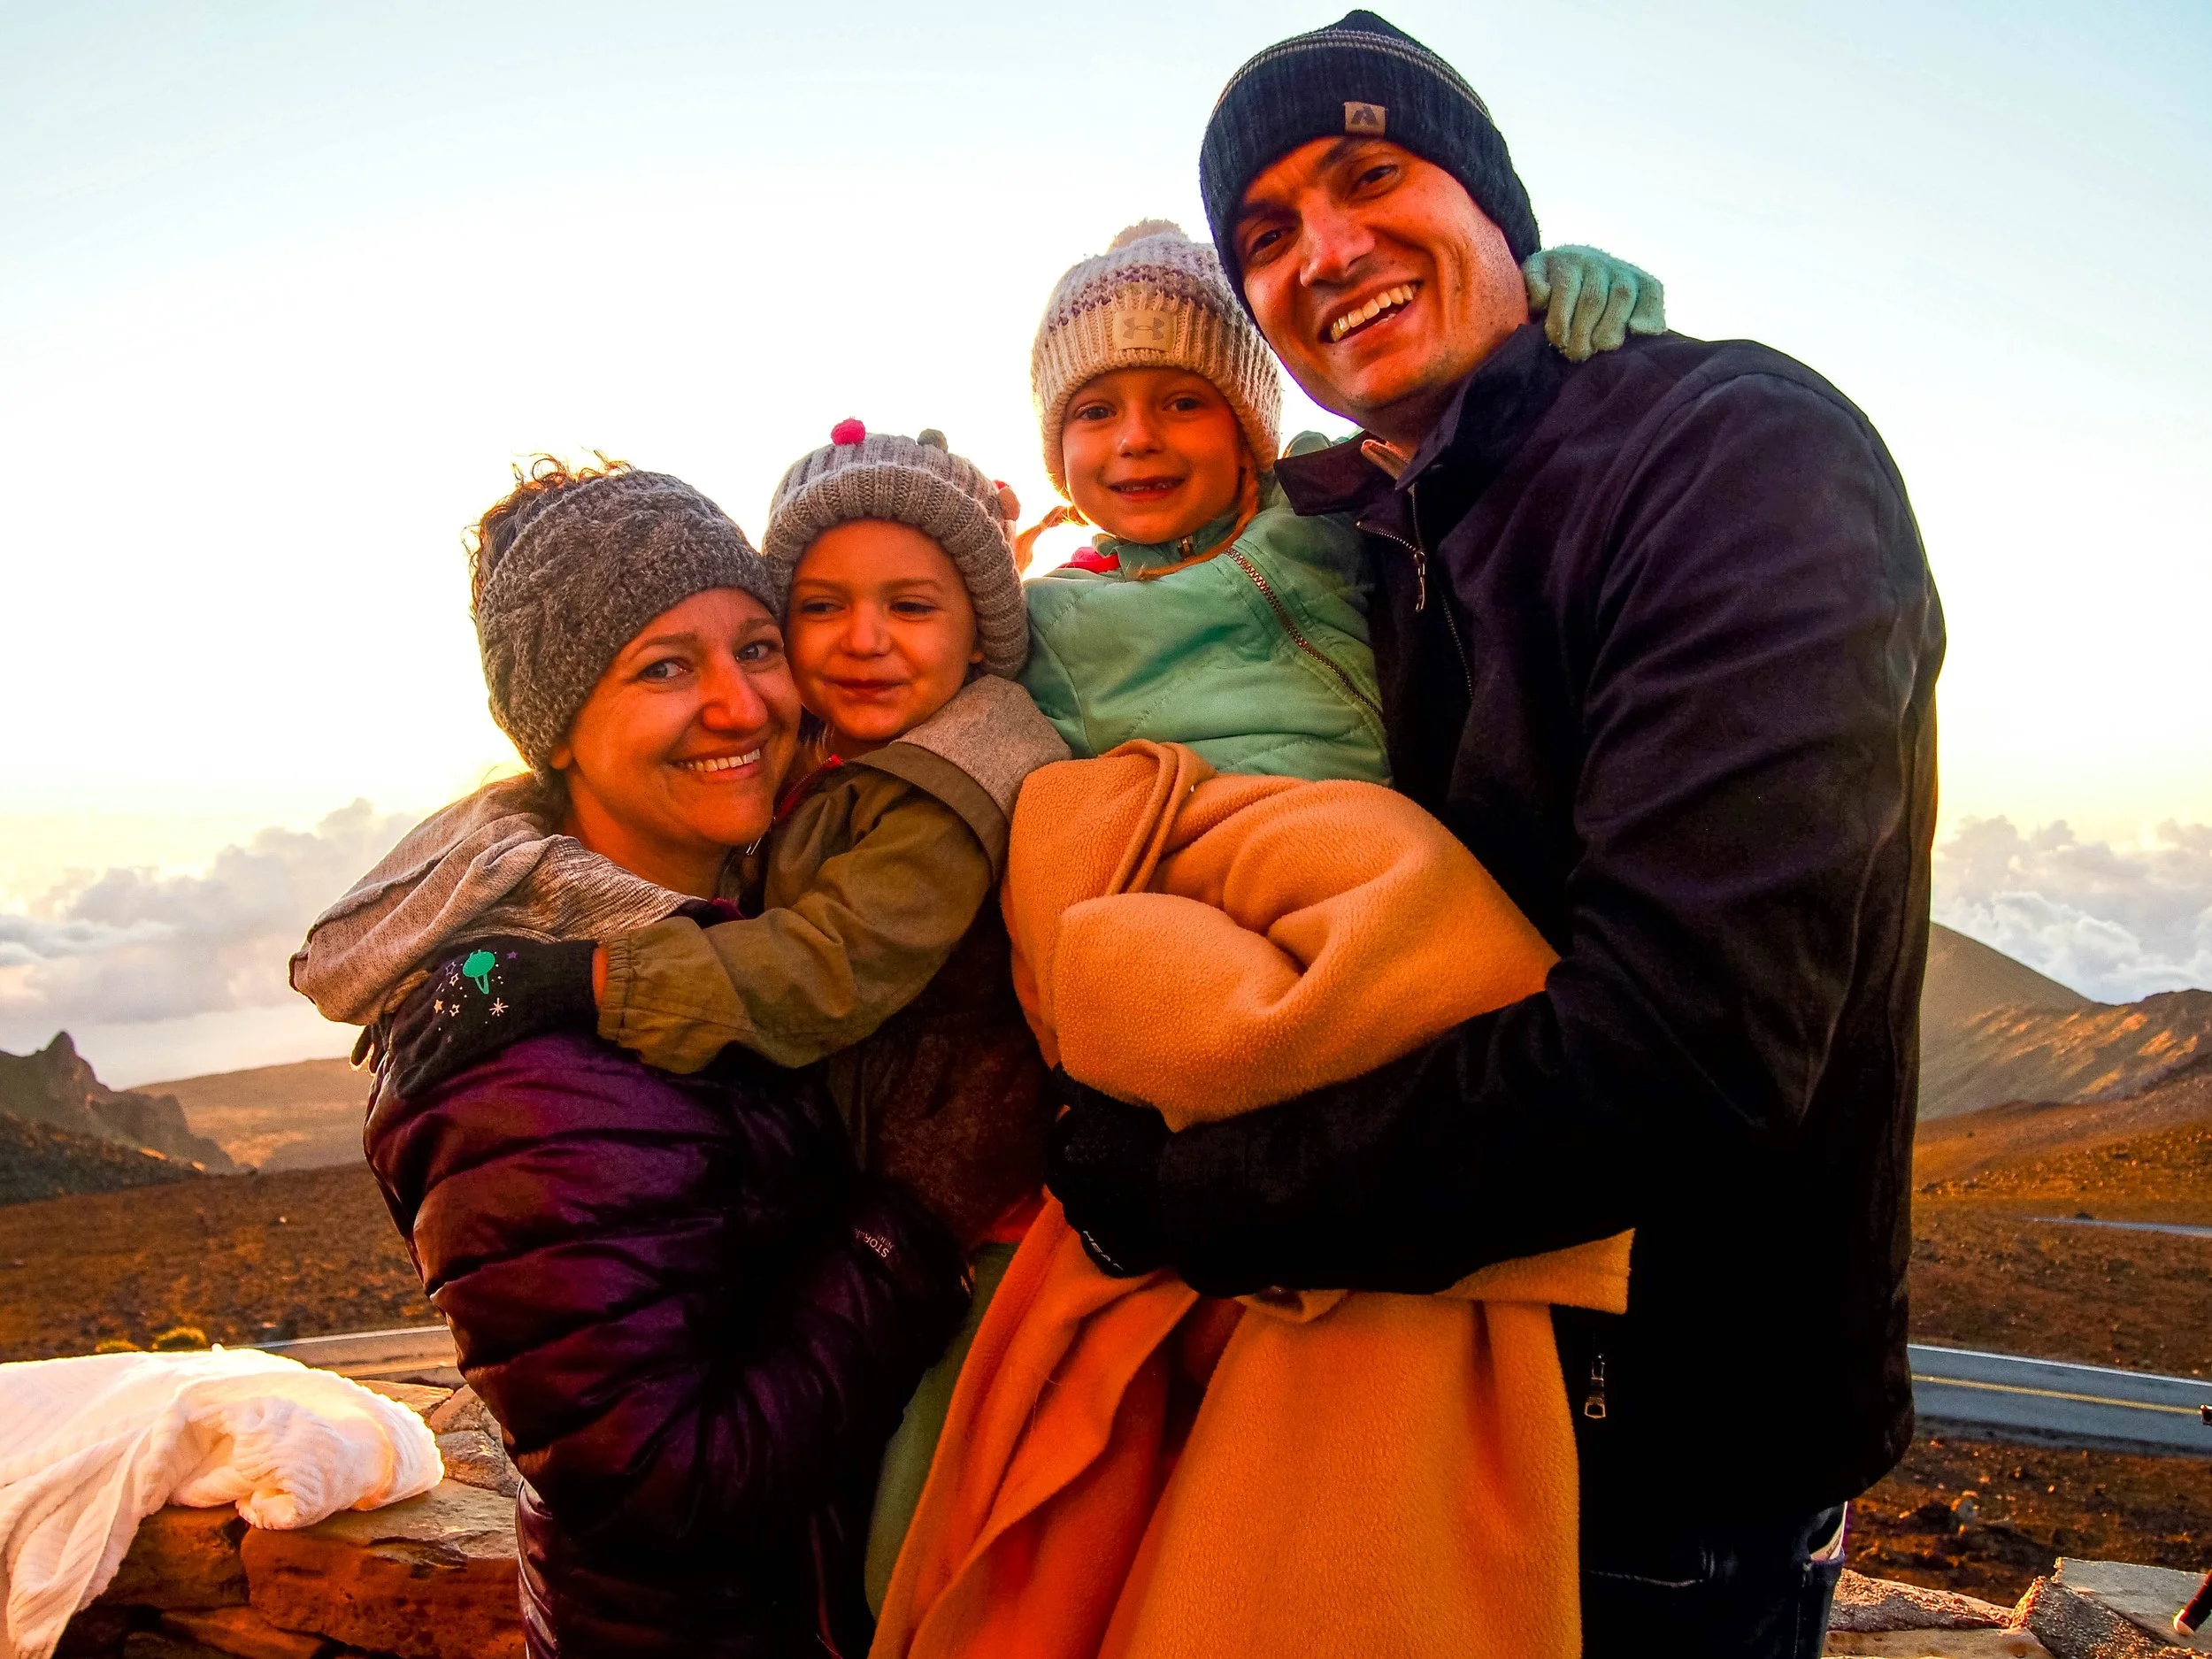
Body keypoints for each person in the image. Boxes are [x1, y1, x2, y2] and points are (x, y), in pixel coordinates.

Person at [1042, 12, 1946, 1657]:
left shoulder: (1733, 457)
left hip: (1663, 1463)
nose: (1327, 248)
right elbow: (1153, 525)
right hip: (1402, 1382)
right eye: (1267, 232)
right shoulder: (1355, 517)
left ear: (1496, 206)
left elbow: (1683, 1056)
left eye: (1373, 174)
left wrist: (1183, 1196)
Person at [291, 460, 972, 1657]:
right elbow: (667, 1483)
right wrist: (910, 1224)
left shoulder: (761, 916)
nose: (742, 705)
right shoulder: (519, 1059)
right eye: (664, 667)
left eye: (756, 646)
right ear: (559, 726)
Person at [1020, 219, 1659, 785]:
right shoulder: (1050, 620)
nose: (1136, 438)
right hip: (1228, 869)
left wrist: (1532, 336)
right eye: (1096, 412)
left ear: (1246, 428)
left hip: (1429, 847)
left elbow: (1463, 441)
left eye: (1183, 402)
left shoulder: (1334, 492)